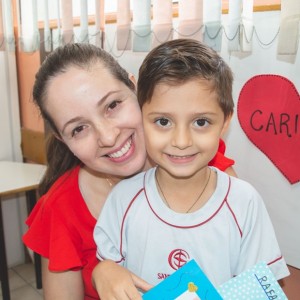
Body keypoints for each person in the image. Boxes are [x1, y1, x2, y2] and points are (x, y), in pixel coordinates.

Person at [22, 43, 236, 300]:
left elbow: (249, 275)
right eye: (79, 128)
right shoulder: (60, 210)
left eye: (112, 105)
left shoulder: (200, 163)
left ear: (134, 89)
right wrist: (100, 273)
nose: (109, 136)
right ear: (61, 138)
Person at [93, 39, 290, 294]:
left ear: (225, 122)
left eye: (201, 122)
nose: (182, 141)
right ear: (140, 117)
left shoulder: (244, 203)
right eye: (163, 121)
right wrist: (104, 269)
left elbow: (261, 290)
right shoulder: (123, 200)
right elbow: (111, 277)